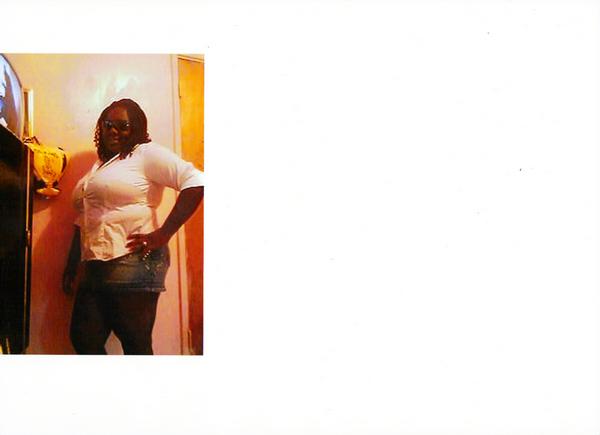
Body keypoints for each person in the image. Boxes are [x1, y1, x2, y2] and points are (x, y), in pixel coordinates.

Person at [62, 98, 204, 355]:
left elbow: (195, 182)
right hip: (95, 264)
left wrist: (162, 234)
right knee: (83, 338)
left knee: (135, 345)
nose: (113, 131)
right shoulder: (101, 165)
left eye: (123, 125)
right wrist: (72, 263)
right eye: (108, 125)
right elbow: (84, 216)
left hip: (132, 262)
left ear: (136, 128)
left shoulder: (146, 154)